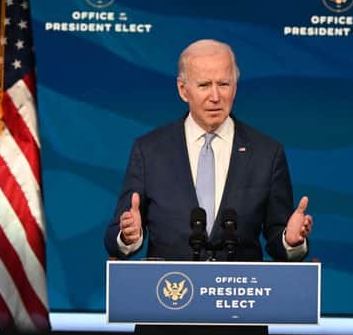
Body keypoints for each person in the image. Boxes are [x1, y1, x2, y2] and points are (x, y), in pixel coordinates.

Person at [104, 38, 313, 263]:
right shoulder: (149, 150)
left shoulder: (267, 153)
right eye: (204, 85)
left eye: (224, 84)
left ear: (235, 87)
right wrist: (127, 236)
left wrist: (290, 241)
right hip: (169, 291)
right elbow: (117, 235)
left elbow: (278, 236)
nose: (215, 97)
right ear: (183, 90)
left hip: (239, 292)